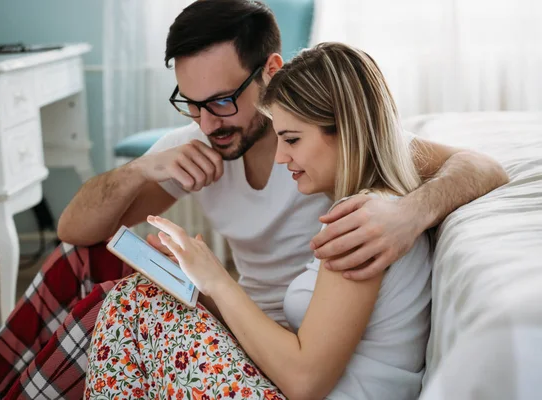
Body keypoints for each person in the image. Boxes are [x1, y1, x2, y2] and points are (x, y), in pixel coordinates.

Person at [0, 1, 508, 399]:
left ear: (271, 71)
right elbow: (74, 227)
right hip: (260, 331)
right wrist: (146, 168)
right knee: (94, 265)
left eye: (220, 100)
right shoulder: (200, 146)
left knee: (128, 310)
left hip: (290, 355)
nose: (204, 122)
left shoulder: (356, 190)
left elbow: (483, 165)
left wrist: (410, 213)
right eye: (188, 104)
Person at [85, 41, 433, 400]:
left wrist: (218, 279)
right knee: (143, 298)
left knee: (134, 302)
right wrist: (200, 282)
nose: (281, 156)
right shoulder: (372, 206)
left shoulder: (362, 222)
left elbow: (304, 382)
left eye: (293, 139)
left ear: (345, 128)